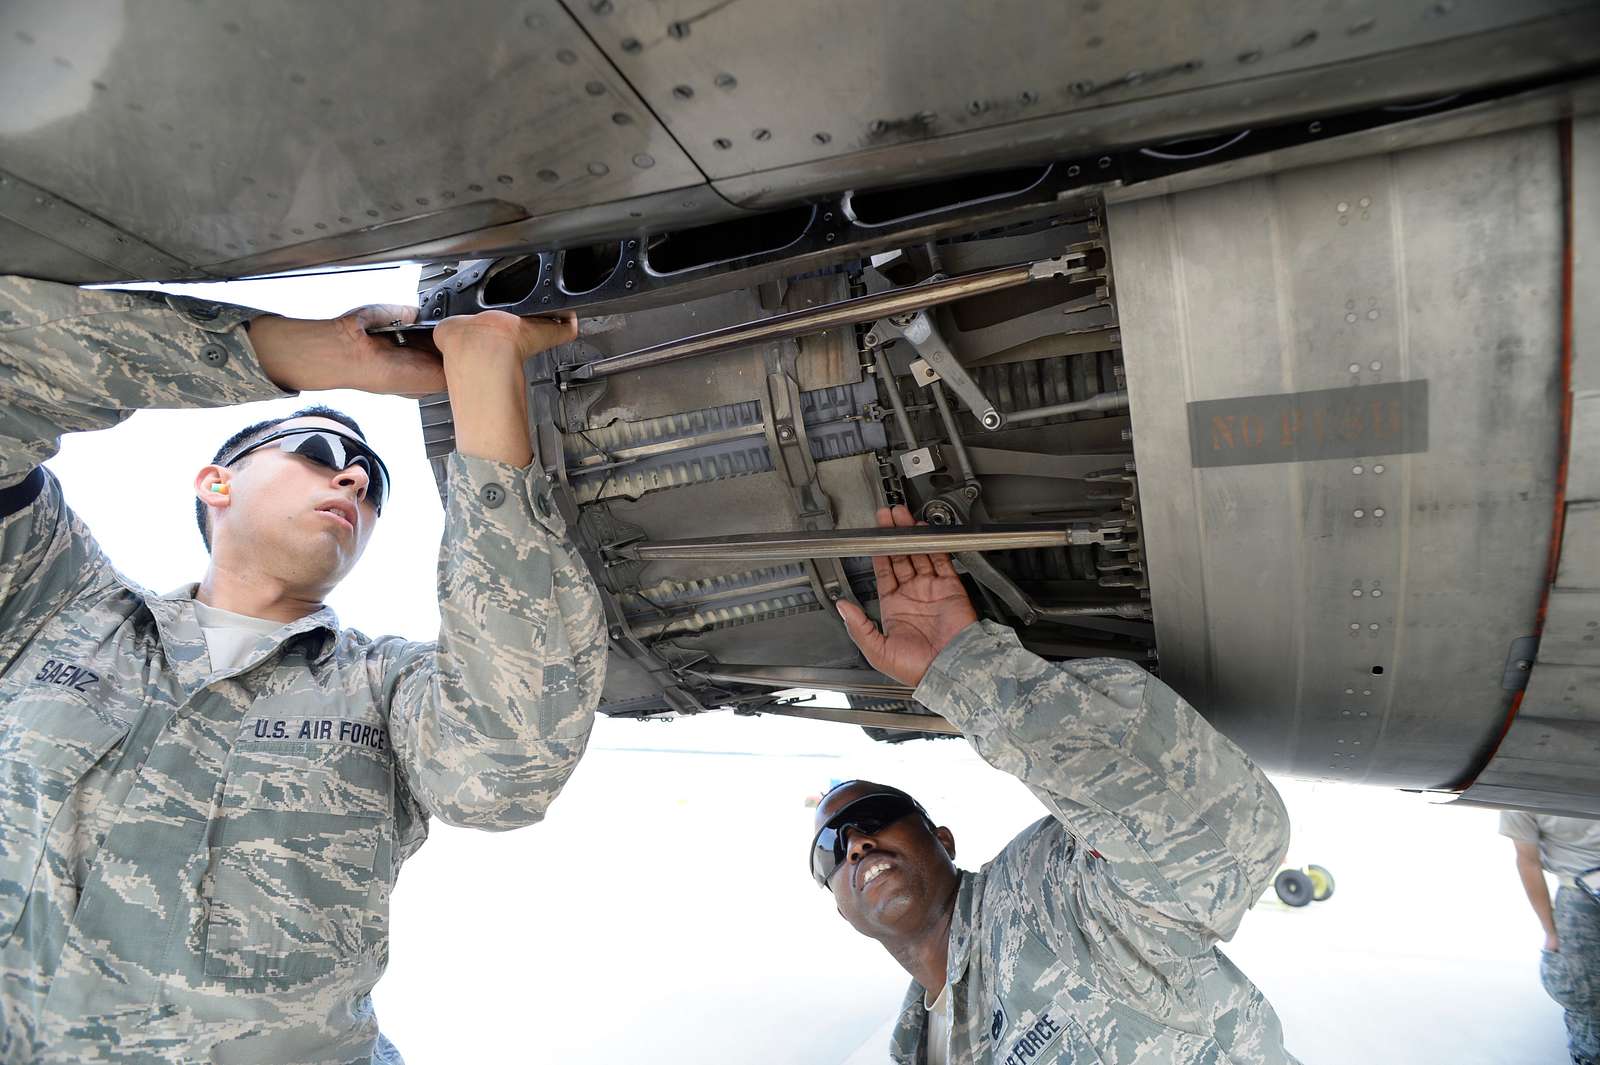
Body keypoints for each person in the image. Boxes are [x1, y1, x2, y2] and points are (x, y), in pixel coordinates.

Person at [0, 278, 605, 1064]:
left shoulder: (381, 686)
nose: (353, 477)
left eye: (373, 481)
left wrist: (485, 384)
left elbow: (504, 773)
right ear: (215, 484)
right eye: (321, 453)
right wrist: (325, 353)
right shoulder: (56, 601)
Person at [819, 504, 1297, 1064]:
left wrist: (966, 669)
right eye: (831, 846)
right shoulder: (917, 1052)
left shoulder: (1039, 889)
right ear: (837, 906)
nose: (857, 842)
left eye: (876, 815)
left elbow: (1222, 841)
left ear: (942, 839)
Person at [1502, 811, 1600, 1065]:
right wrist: (1551, 930)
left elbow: (1527, 861)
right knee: (1586, 1001)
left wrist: (1552, 931)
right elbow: (1527, 861)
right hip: (1580, 892)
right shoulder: (1524, 792)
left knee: (1587, 1003)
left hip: (1579, 895)